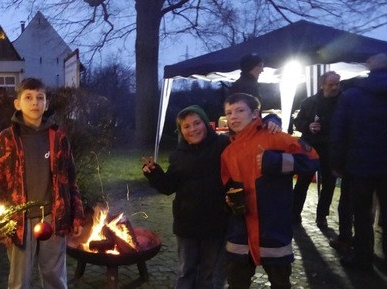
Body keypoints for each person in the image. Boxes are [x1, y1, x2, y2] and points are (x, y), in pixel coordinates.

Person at [0, 77, 84, 289]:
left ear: (46, 104)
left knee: (55, 279)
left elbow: (71, 180)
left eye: (40, 98)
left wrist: (76, 216)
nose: (35, 103)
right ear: (17, 104)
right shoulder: (4, 141)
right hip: (18, 222)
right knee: (19, 281)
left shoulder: (58, 138)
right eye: (28, 97)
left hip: (53, 218)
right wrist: (0, 223)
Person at [220, 93, 319, 289]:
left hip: (273, 228)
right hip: (241, 232)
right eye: (229, 112)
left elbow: (312, 160)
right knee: (236, 282)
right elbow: (226, 182)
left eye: (240, 110)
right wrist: (230, 200)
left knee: (280, 283)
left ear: (255, 113)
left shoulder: (276, 138)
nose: (233, 117)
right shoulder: (228, 151)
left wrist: (279, 161)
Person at [142, 105, 230, 289]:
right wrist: (154, 174)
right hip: (187, 224)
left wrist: (272, 123)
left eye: (197, 123)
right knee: (186, 271)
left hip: (216, 222)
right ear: (181, 131)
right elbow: (168, 186)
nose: (193, 129)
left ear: (206, 123)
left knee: (209, 273)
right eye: (187, 126)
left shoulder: (223, 145)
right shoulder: (178, 155)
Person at [331, 53, 387, 270]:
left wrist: (336, 163)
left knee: (362, 214)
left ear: (369, 66)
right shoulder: (351, 94)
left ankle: (363, 258)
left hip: (360, 165)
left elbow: (339, 132)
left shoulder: (352, 95)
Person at [291, 71, 351, 235]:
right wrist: (308, 126)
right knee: (302, 181)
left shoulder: (344, 102)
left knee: (329, 184)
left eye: (337, 84)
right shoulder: (309, 102)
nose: (335, 87)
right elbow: (298, 121)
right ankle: (295, 214)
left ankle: (322, 216)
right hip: (311, 147)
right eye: (331, 84)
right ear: (322, 85)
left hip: (332, 149)